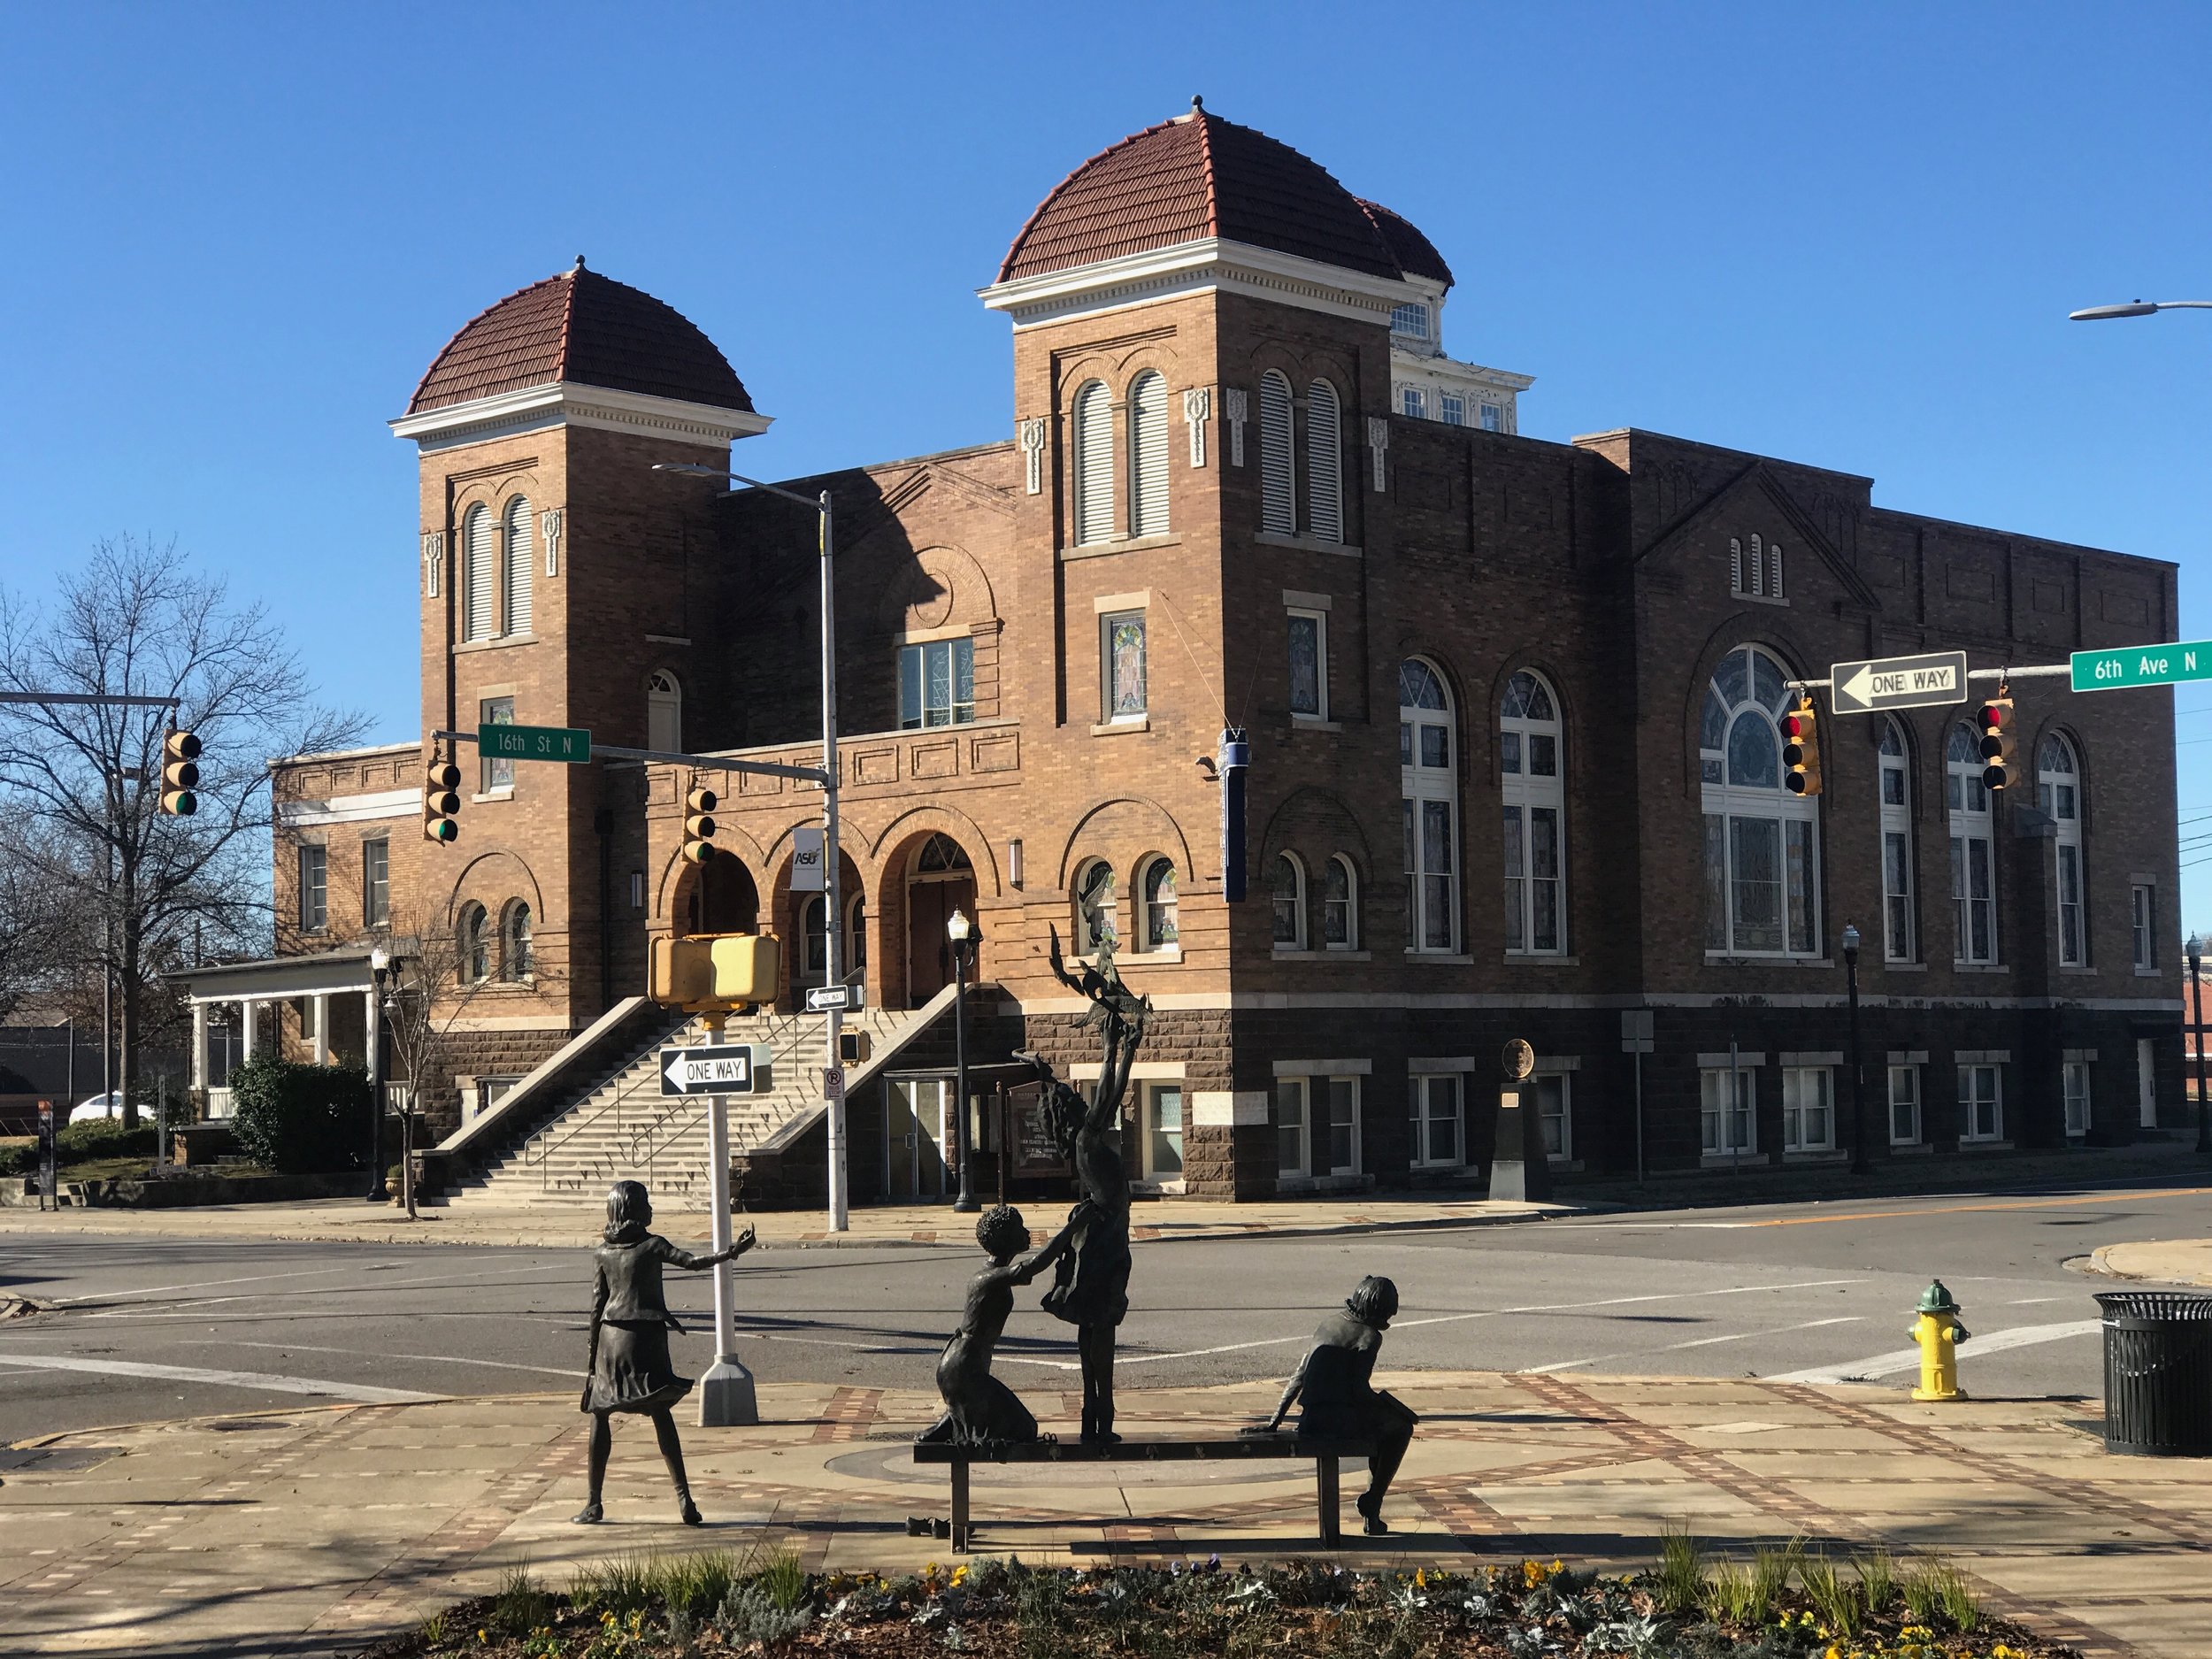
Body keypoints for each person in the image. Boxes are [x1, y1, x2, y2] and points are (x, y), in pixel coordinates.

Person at [573, 1179, 755, 1525]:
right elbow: (691, 1261)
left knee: (600, 1414)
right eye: (646, 1202)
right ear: (633, 1210)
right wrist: (730, 1253)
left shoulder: (602, 1252)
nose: (651, 1207)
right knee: (660, 1412)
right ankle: (684, 1497)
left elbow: (596, 1309)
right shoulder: (653, 1246)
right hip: (647, 1339)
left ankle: (593, 1503)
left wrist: (591, 1363)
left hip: (612, 1340)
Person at [1244, 1275, 1418, 1535]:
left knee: (1385, 1425)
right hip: (1336, 1423)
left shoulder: (1329, 1324)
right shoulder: (1369, 1337)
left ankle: (1372, 1509)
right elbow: (1358, 1391)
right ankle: (1373, 1502)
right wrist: (1388, 1405)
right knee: (1400, 1429)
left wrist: (1275, 1421)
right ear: (1379, 1309)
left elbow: (1300, 1374)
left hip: (1310, 1420)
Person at [919, 1202, 1086, 1446]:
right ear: (1005, 1237)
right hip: (962, 1368)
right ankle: (956, 1425)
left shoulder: (995, 1274)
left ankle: (954, 1422)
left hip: (966, 1365)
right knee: (1024, 1429)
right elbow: (1035, 1265)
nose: (1027, 1232)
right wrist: (1072, 1229)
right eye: (1020, 1228)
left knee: (999, 1419)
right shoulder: (987, 1278)